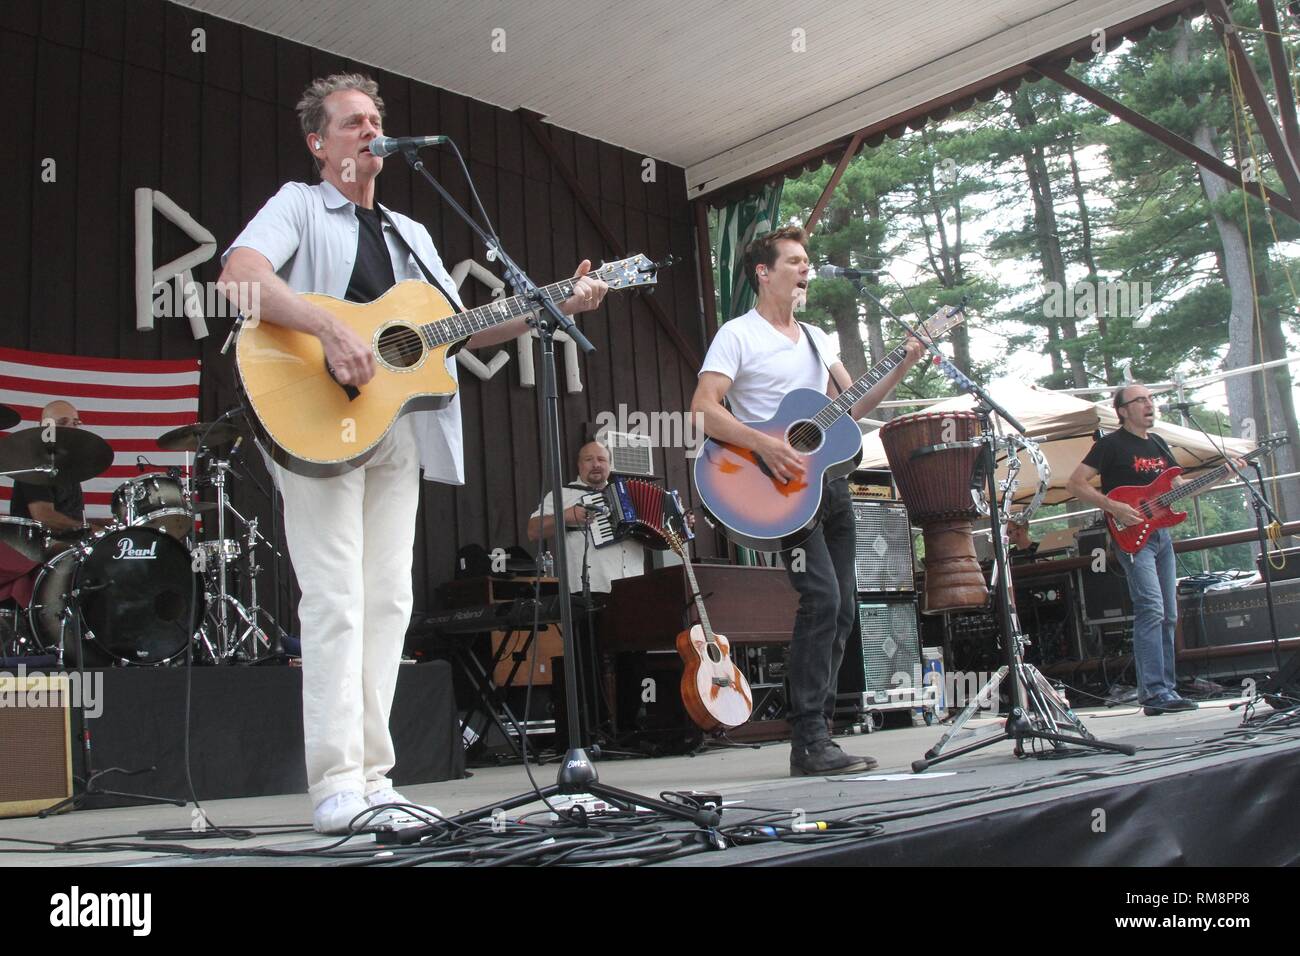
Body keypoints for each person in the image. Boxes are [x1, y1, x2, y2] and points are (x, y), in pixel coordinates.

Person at [218, 73, 608, 833]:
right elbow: (240, 278)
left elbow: (456, 330)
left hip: (393, 428)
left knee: (388, 601)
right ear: (319, 143)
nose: (369, 131)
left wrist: (549, 304)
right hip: (314, 421)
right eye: (352, 122)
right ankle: (335, 782)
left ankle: (375, 777)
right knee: (334, 598)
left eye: (376, 120)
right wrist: (331, 331)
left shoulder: (412, 235)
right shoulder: (299, 205)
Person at [690, 226, 925, 775]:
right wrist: (767, 445)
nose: (805, 269)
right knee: (820, 598)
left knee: (843, 610)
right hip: (777, 487)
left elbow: (853, 404)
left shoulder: (819, 337)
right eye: (794, 261)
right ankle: (808, 741)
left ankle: (820, 736)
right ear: (764, 273)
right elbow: (704, 408)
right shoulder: (737, 334)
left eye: (807, 261)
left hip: (831, 485)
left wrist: (904, 363)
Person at [1066, 383, 1229, 716]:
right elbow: (1076, 484)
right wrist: (1114, 507)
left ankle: (1165, 690)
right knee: (1151, 607)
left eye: (1151, 399)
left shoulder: (1158, 443)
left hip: (1160, 536)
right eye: (1140, 400)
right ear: (1123, 411)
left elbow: (1180, 489)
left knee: (1169, 612)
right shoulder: (1109, 445)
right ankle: (1153, 692)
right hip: (1130, 535)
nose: (1149, 404)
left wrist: (1222, 474)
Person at [526, 440, 646, 596]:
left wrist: (681, 522)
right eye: (589, 459)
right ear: (579, 465)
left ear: (609, 465)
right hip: (591, 589)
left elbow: (658, 532)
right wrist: (565, 516)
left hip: (635, 586)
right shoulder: (563, 494)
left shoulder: (632, 495)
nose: (596, 464)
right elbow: (533, 531)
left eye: (601, 459)